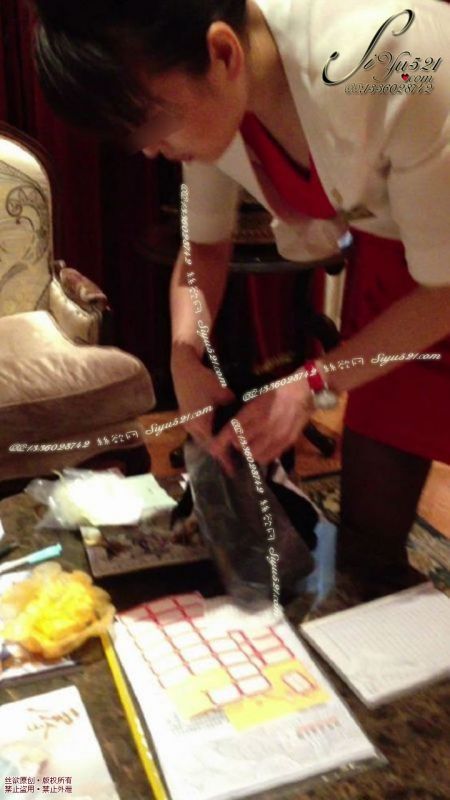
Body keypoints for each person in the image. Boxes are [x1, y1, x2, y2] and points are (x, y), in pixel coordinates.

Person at [32, 0, 450, 596]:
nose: (148, 149)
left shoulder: (399, 57)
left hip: (437, 275)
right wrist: (184, 355)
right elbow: (202, 250)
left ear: (223, 52)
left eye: (150, 121)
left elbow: (444, 291)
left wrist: (312, 381)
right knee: (369, 542)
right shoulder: (219, 100)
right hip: (400, 261)